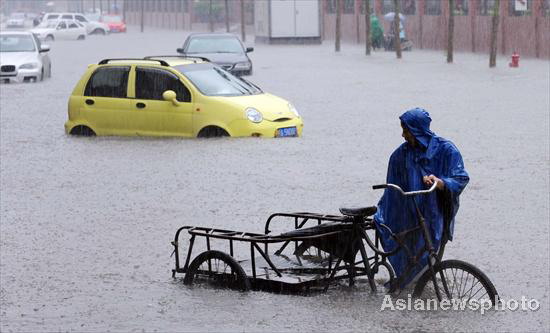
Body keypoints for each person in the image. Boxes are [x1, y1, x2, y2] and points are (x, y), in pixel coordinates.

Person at [373, 108, 470, 288]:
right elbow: (392, 192)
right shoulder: (399, 156)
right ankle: (407, 288)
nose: (403, 135)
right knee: (406, 254)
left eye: (406, 130)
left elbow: (461, 177)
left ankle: (415, 288)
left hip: (434, 214)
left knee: (428, 251)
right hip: (408, 214)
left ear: (417, 130)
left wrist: (440, 182)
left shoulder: (446, 150)